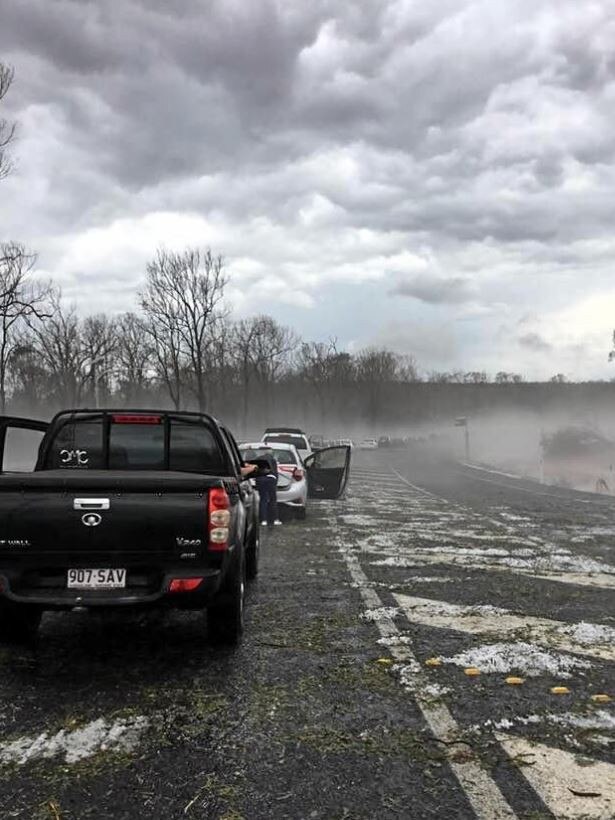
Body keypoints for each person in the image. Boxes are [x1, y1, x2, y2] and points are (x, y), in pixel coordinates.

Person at [253, 449, 281, 527]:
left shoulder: (257, 459)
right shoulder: (272, 460)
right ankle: (275, 519)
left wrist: (257, 482)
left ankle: (263, 520)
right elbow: (275, 473)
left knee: (263, 499)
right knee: (273, 499)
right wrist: (275, 483)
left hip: (261, 480)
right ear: (271, 454)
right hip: (271, 479)